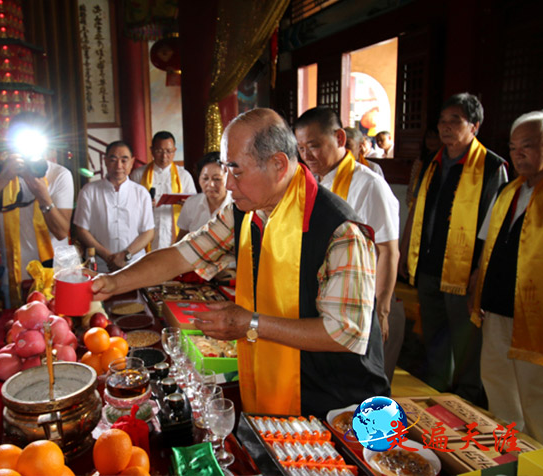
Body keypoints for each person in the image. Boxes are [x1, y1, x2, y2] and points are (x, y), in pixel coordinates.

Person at [94, 108, 389, 417]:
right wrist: (113, 282)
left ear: (278, 165)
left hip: (340, 404)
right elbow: (183, 254)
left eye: (236, 170)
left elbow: (344, 333)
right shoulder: (245, 210)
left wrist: (251, 323)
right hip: (273, 384)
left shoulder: (339, 230)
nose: (228, 184)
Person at [398, 93, 507, 404]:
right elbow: (418, 210)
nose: (445, 128)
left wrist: (480, 271)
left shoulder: (491, 166)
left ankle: (469, 396)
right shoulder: (432, 162)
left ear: (474, 126)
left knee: (467, 338)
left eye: (454, 121)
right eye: (442, 121)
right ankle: (437, 388)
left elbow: (494, 225)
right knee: (434, 331)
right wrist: (407, 252)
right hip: (430, 262)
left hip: (464, 269)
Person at [296, 107, 401, 380]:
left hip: (360, 304)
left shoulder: (369, 185)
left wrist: (382, 310)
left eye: (314, 146)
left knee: (359, 380)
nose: (306, 155)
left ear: (340, 138)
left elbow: (388, 250)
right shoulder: (311, 184)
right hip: (324, 302)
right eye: (301, 148)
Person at [470, 111, 543, 441]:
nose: (518, 154)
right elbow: (488, 249)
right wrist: (478, 293)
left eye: (528, 145)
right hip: (497, 308)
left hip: (536, 317)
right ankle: (508, 454)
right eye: (513, 147)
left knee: (536, 394)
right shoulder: (508, 192)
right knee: (498, 385)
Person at [0, 112, 74, 307]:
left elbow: (60, 232)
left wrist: (43, 195)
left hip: (55, 273)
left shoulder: (60, 174)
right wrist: (4, 176)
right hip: (15, 272)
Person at [74, 141, 154, 272]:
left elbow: (148, 232)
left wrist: (125, 255)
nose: (119, 165)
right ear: (105, 161)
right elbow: (82, 230)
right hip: (99, 265)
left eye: (124, 160)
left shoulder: (141, 193)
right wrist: (108, 257)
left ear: (132, 162)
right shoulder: (89, 191)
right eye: (113, 159)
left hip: (134, 264)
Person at [130, 131, 196, 250]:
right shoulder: (138, 175)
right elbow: (129, 206)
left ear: (174, 150)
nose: (164, 156)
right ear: (152, 150)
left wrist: (187, 205)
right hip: (145, 234)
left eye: (168, 151)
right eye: (159, 151)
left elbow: (196, 205)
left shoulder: (184, 176)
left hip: (174, 232)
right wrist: (143, 205)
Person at [176, 152, 233, 241]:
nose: (210, 184)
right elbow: (181, 240)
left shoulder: (237, 204)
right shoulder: (191, 203)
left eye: (217, 179)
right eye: (205, 178)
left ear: (228, 178)